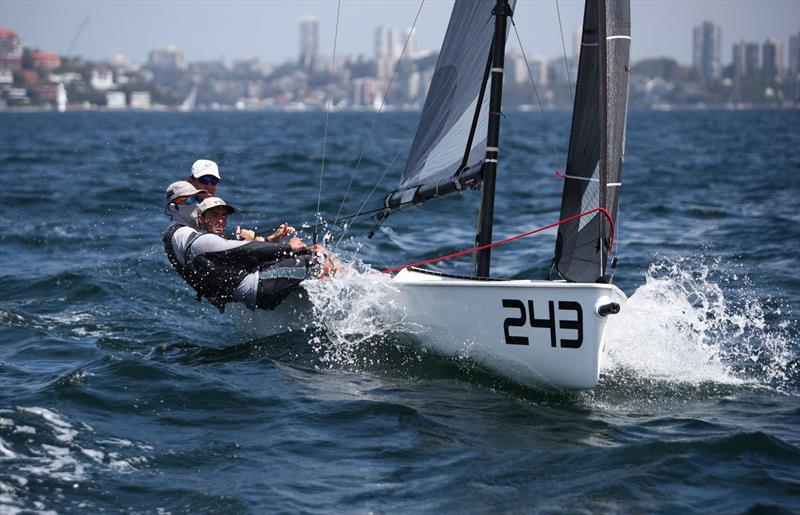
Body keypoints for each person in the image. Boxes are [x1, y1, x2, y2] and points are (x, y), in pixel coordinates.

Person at [165, 196, 337, 312]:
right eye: (214, 215)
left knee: (303, 254)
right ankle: (341, 290)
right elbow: (251, 250)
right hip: (261, 288)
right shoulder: (206, 242)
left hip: (256, 287)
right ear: (201, 219)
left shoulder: (216, 241)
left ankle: (325, 282)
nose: (220, 220)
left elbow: (249, 254)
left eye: (224, 216)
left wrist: (273, 239)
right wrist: (289, 247)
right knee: (317, 255)